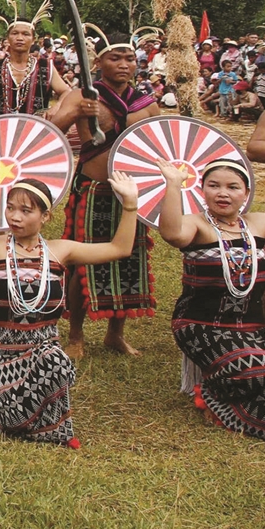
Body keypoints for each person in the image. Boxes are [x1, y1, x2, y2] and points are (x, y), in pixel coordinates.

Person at [0, 169, 142, 446]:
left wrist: (130, 205)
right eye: (10, 208)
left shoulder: (60, 250)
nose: (15, 216)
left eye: (26, 210)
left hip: (42, 346)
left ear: (45, 216)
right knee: (10, 422)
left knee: (57, 363)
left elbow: (120, 249)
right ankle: (5, 402)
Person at [51, 34, 159, 357]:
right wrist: (77, 113)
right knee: (83, 259)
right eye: (115, 58)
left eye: (129, 58)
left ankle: (115, 334)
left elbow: (160, 146)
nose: (123, 65)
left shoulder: (147, 103)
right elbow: (52, 128)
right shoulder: (81, 94)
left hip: (130, 194)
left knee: (129, 259)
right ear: (98, 62)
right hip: (94, 188)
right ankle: (75, 336)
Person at [152, 158, 265, 440]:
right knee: (262, 374)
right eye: (214, 185)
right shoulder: (196, 225)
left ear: (246, 192)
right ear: (202, 190)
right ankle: (214, 396)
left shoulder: (259, 223)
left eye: (233, 187)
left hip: (252, 329)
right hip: (202, 325)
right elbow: (171, 234)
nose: (223, 193)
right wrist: (172, 185)